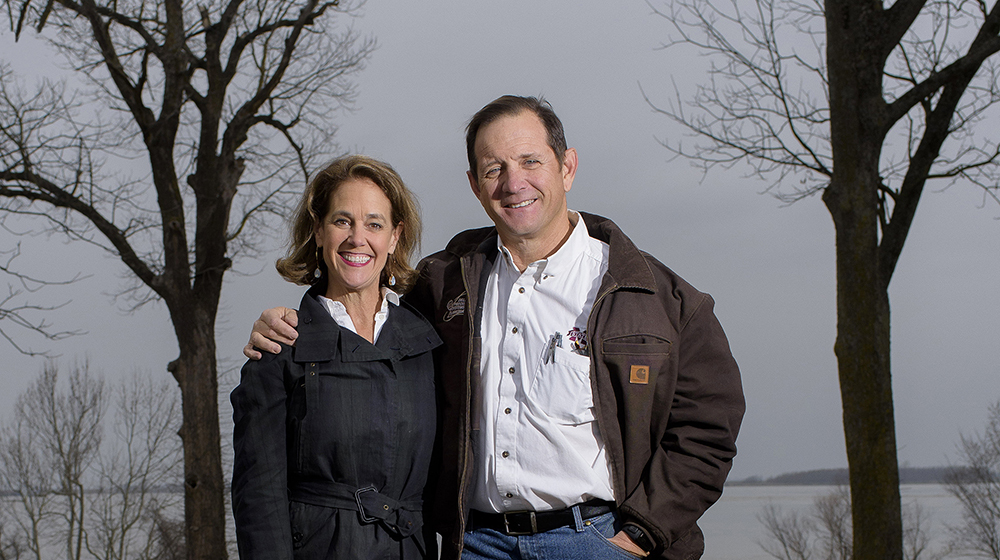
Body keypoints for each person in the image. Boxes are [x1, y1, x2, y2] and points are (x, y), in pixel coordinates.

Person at [245, 96, 745, 560]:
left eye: (530, 161)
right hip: (477, 543)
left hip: (595, 540)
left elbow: (708, 429)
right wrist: (287, 321)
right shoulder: (445, 285)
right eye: (494, 169)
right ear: (474, 184)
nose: (513, 182)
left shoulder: (658, 297)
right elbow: (360, 309)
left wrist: (637, 535)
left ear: (567, 166)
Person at [231, 155, 442, 560]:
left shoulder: (427, 343)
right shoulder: (280, 348)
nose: (357, 238)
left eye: (374, 224)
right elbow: (259, 498)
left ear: (395, 237)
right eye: (342, 221)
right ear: (318, 231)